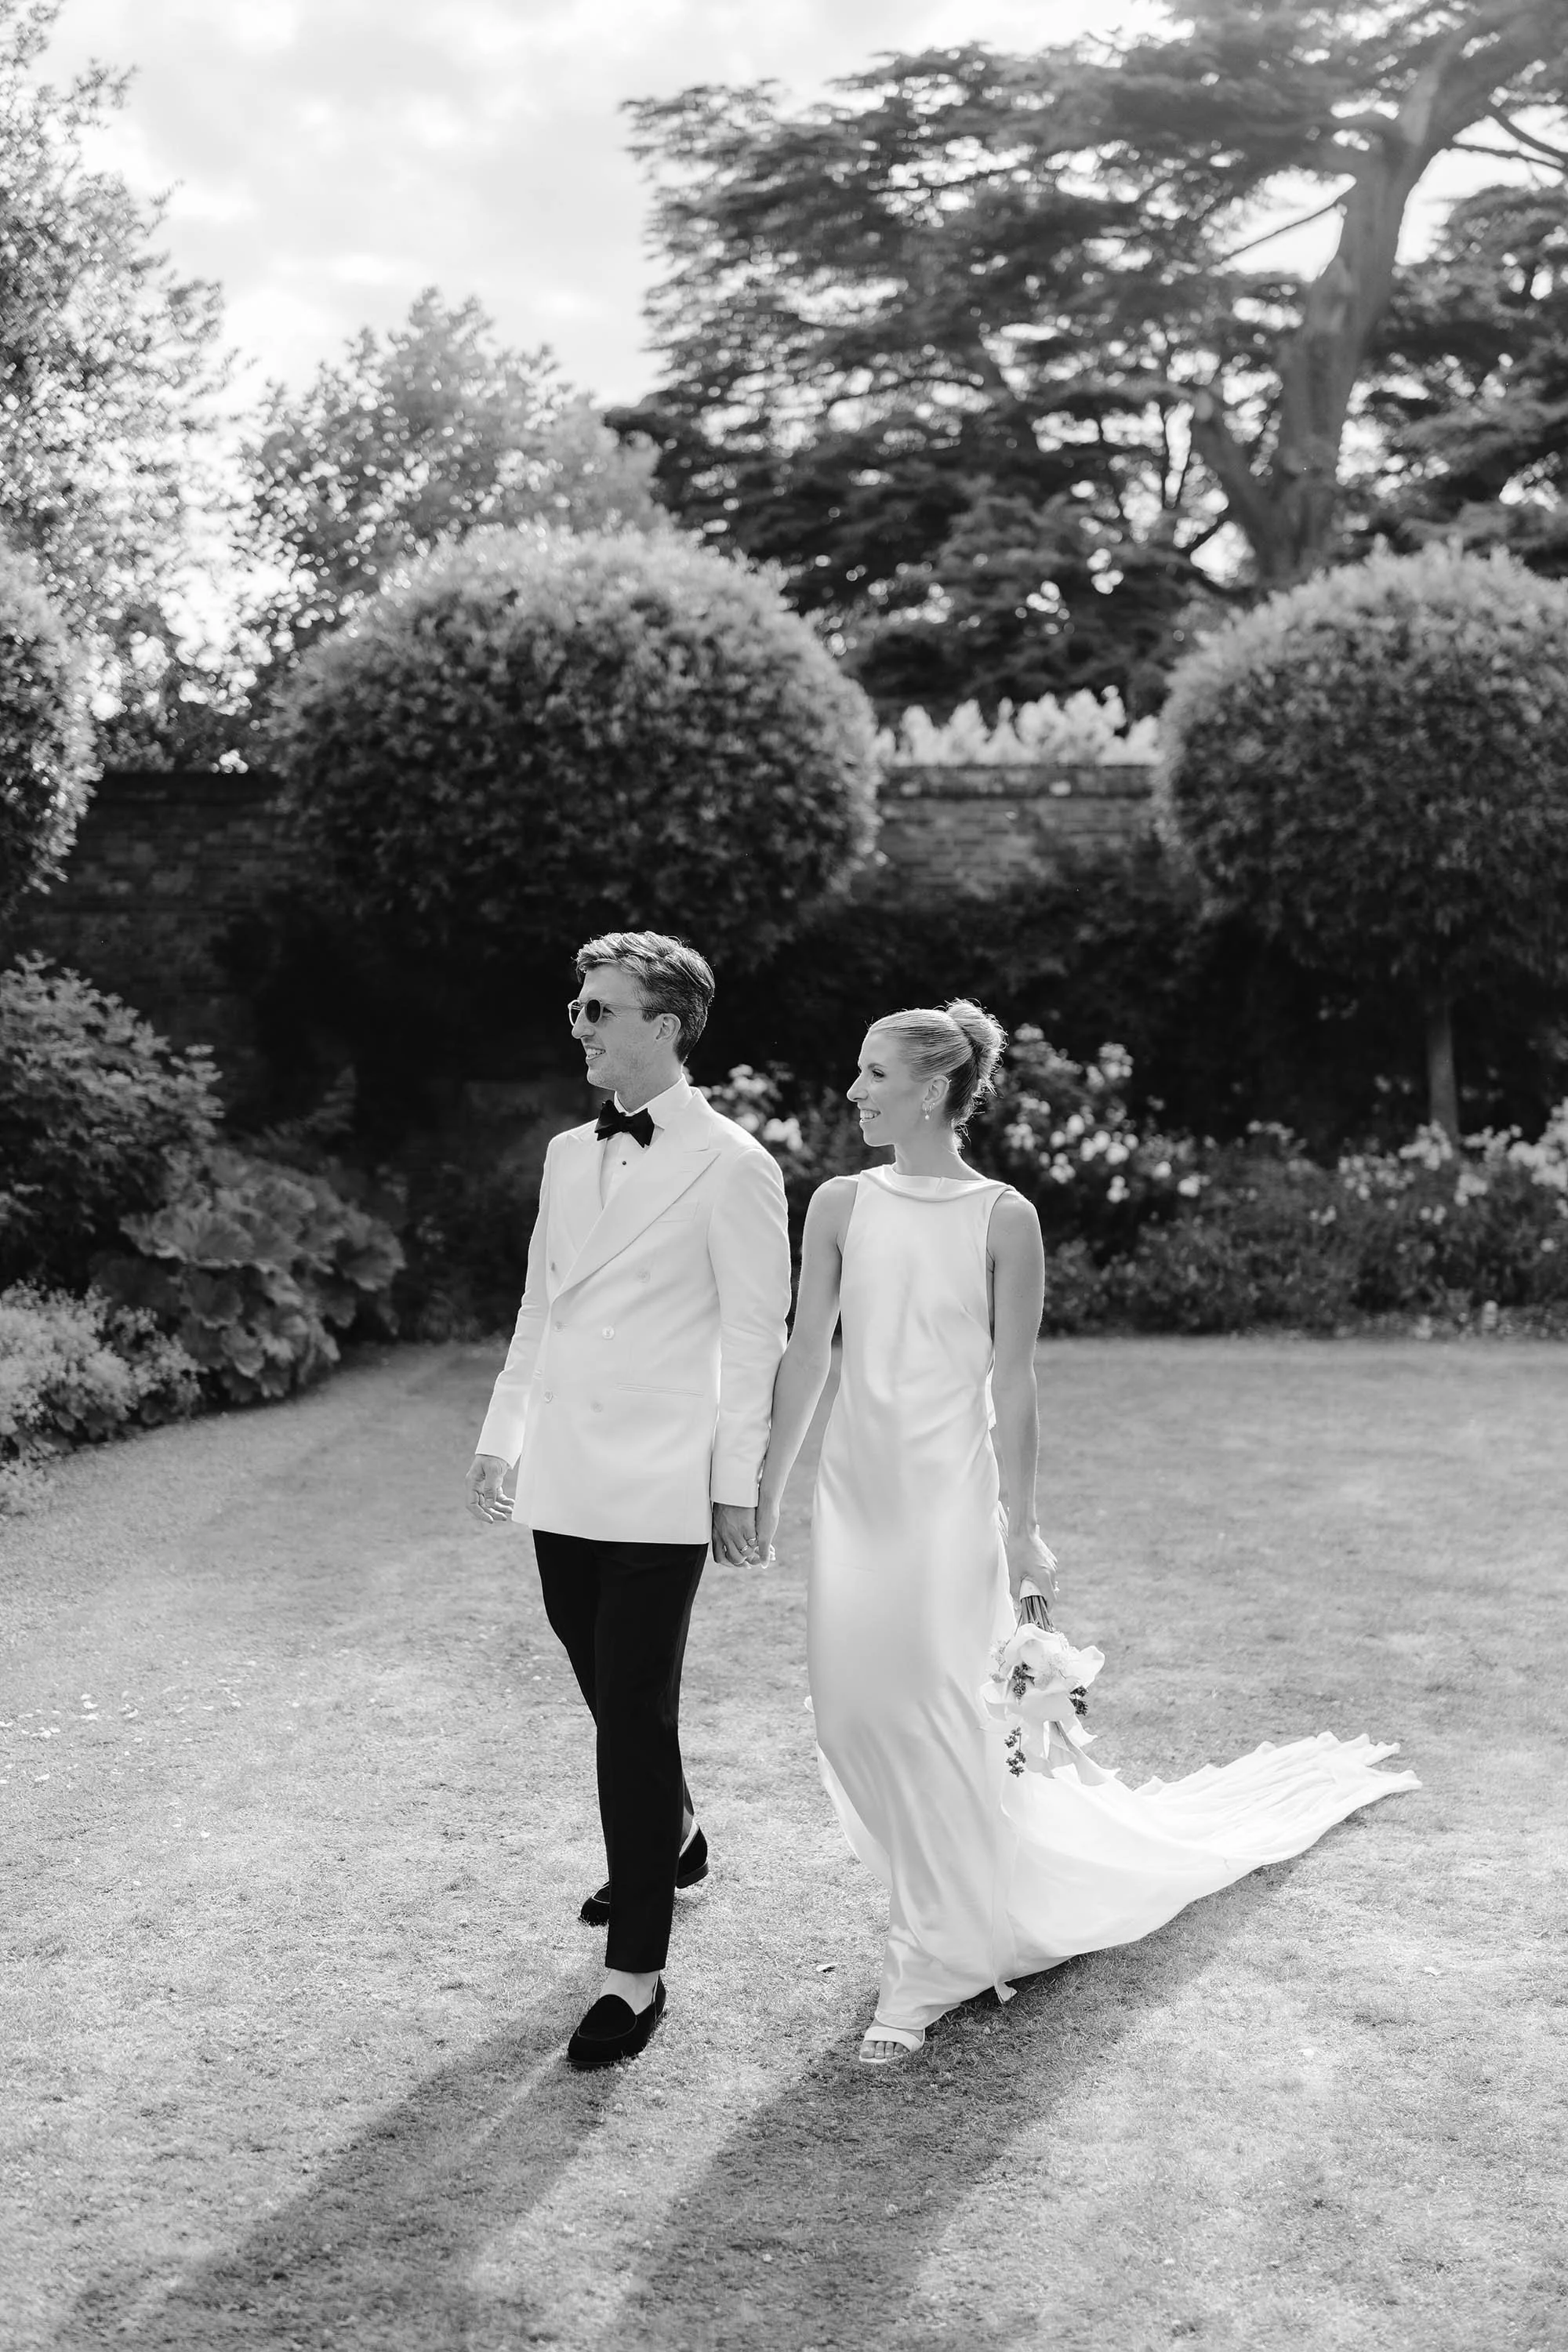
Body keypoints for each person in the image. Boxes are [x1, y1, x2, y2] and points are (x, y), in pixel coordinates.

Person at [755, 999, 1418, 2065]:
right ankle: (957, 1904)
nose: (853, 1092)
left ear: (931, 1088)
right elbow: (807, 1356)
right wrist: (767, 1485)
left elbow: (1014, 1391)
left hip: (945, 1506)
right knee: (849, 1714)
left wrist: (1025, 1535)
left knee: (935, 1715)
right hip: (853, 1496)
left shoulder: (1003, 1217)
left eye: (874, 1074)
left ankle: (931, 1958)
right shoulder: (837, 1203)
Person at [468, 931, 791, 2068]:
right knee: (603, 1684)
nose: (582, 1024)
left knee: (635, 1710)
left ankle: (635, 1972)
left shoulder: (735, 1165)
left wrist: (735, 1483)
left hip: (661, 1480)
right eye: (580, 1006)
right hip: (565, 1468)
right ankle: (682, 1833)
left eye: (601, 1008)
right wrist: (503, 1435)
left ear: (665, 1025)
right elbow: (540, 1309)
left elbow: (759, 1340)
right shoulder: (567, 1156)